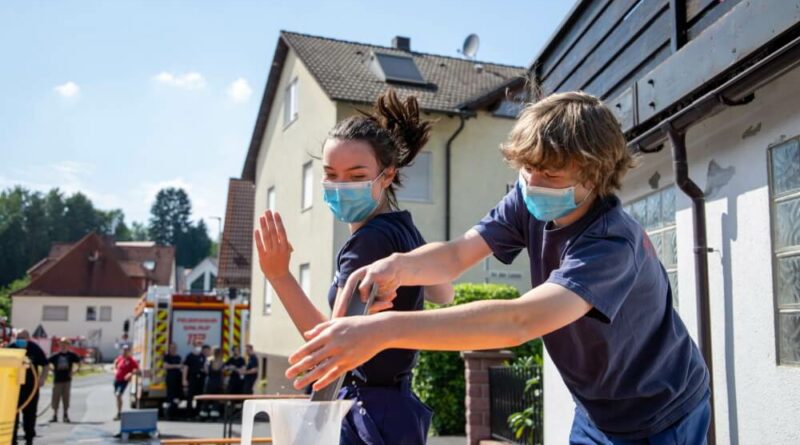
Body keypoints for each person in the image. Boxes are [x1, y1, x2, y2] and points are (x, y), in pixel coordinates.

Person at [286, 92, 712, 444]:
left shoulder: (609, 242)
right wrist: (398, 265)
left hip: (661, 415)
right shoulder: (530, 200)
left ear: (594, 174)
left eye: (549, 172)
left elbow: (520, 320)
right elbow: (455, 255)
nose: (532, 182)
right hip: (597, 412)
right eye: (527, 168)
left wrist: (380, 330)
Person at [254, 89, 453, 445]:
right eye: (331, 174)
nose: (341, 186)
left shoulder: (370, 242)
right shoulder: (402, 227)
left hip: (367, 412)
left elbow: (332, 346)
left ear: (387, 175)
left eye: (356, 174)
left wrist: (279, 275)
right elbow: (444, 293)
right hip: (395, 408)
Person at [8, 329, 48, 445]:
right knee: (12, 414)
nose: (21, 340)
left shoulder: (34, 349)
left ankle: (29, 438)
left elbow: (45, 365)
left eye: (23, 337)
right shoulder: (11, 348)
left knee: (30, 414)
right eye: (19, 337)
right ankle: (12, 439)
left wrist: (42, 379)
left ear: (28, 338)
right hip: (13, 388)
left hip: (31, 388)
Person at [48, 337, 82, 423]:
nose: (63, 346)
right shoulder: (55, 355)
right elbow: (46, 363)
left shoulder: (71, 355)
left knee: (66, 398)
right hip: (57, 380)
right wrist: (51, 370)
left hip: (67, 380)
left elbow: (79, 363)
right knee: (56, 397)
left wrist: (74, 371)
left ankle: (65, 414)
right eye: (62, 344)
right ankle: (54, 415)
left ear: (68, 346)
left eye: (65, 344)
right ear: (60, 345)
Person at [113, 344, 140, 420]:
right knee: (117, 396)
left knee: (118, 395)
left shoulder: (132, 361)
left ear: (129, 351)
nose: (125, 352)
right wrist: (115, 370)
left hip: (123, 381)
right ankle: (119, 411)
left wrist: (130, 374)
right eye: (124, 350)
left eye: (126, 350)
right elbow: (115, 364)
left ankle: (119, 413)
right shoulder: (120, 358)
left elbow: (137, 370)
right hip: (117, 380)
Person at [182, 340, 208, 417]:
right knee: (190, 397)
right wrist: (184, 379)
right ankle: (188, 414)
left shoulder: (202, 356)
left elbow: (205, 367)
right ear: (193, 346)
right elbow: (185, 368)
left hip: (201, 379)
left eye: (200, 345)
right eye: (197, 344)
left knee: (200, 396)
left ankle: (198, 413)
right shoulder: (189, 356)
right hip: (192, 378)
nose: (199, 346)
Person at [200, 347, 225, 418]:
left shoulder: (208, 360)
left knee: (206, 397)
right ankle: (214, 412)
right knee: (216, 398)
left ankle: (204, 412)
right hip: (218, 381)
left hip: (210, 381)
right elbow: (223, 372)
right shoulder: (222, 361)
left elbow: (206, 371)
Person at [163, 342, 184, 419]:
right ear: (169, 349)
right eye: (171, 348)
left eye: (174, 348)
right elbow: (166, 366)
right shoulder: (167, 357)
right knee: (170, 396)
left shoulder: (178, 357)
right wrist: (176, 366)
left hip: (178, 379)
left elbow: (182, 366)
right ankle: (169, 413)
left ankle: (174, 411)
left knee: (178, 397)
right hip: (170, 379)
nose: (173, 349)